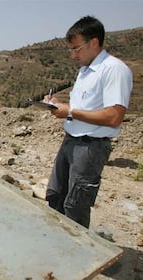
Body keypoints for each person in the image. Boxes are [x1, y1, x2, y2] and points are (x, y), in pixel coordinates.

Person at [45, 16, 133, 228]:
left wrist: (71, 112)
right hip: (71, 141)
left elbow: (114, 116)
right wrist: (59, 106)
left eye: (77, 49)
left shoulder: (114, 70)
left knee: (76, 205)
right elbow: (85, 108)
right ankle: (59, 245)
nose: (73, 55)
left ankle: (78, 254)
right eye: (71, 50)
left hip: (90, 147)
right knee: (55, 196)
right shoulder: (85, 71)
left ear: (94, 42)